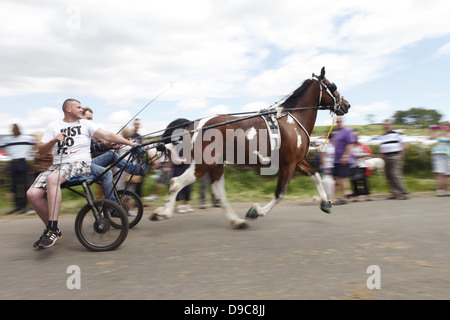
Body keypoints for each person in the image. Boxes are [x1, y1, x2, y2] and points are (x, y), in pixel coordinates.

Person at [26, 99, 138, 249]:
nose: (81, 109)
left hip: (80, 163)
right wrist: (54, 140)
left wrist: (131, 144)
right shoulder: (53, 126)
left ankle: (52, 228)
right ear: (68, 109)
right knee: (32, 193)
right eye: (78, 107)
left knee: (53, 179)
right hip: (58, 166)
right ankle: (52, 230)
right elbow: (41, 151)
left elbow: (109, 135)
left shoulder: (85, 124)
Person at [0, 124, 35, 214]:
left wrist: (26, 152)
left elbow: (34, 145)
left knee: (24, 185)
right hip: (13, 162)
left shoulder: (27, 138)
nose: (14, 130)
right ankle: (17, 206)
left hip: (23, 162)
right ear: (12, 130)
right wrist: (9, 153)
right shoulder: (7, 139)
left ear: (19, 129)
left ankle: (24, 206)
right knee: (14, 185)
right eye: (13, 129)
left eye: (16, 129)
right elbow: (1, 147)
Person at [379, 118, 409, 200]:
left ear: (392, 125)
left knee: (395, 174)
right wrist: (382, 155)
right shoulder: (383, 136)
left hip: (396, 156)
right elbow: (381, 146)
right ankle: (395, 193)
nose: (386, 126)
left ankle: (404, 193)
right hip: (386, 157)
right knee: (389, 175)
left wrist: (401, 154)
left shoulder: (398, 134)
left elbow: (405, 144)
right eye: (385, 125)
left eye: (388, 124)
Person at [332, 116, 357, 205]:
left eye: (339, 121)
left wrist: (345, 156)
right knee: (335, 178)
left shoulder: (347, 131)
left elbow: (350, 144)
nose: (338, 122)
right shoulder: (336, 133)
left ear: (342, 121)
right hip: (336, 160)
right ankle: (337, 197)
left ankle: (344, 197)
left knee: (341, 178)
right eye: (337, 121)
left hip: (344, 159)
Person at [349, 135, 373, 201]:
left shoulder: (362, 145)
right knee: (354, 181)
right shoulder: (349, 146)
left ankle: (367, 196)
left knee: (364, 181)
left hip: (362, 165)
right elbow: (350, 155)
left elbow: (369, 153)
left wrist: (360, 155)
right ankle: (356, 197)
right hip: (353, 165)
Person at [430, 121, 450, 196]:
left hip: (447, 154)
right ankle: (439, 189)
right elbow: (430, 138)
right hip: (437, 153)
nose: (444, 127)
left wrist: (445, 136)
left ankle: (446, 189)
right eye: (443, 126)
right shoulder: (438, 134)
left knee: (446, 173)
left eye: (446, 126)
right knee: (440, 172)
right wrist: (432, 133)